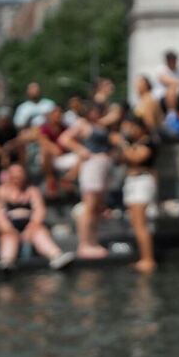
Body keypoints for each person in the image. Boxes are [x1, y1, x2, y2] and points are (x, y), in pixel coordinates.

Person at [58, 103, 120, 260]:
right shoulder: (82, 124)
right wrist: (80, 150)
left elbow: (115, 114)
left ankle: (92, 241)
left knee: (97, 207)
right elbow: (64, 139)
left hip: (102, 166)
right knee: (89, 206)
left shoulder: (100, 124)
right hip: (92, 165)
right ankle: (84, 244)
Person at [0, 163, 74, 271]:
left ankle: (56, 256)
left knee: (39, 232)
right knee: (8, 236)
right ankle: (7, 261)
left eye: (19, 173)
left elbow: (39, 209)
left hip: (30, 225)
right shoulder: (1, 191)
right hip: (10, 225)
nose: (17, 176)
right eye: (14, 173)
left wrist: (33, 224)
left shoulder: (32, 191)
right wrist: (6, 227)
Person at [113, 114, 159, 273]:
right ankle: (143, 257)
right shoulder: (133, 143)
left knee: (140, 224)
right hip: (132, 182)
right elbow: (120, 159)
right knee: (135, 223)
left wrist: (122, 143)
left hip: (142, 182)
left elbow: (136, 157)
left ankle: (148, 259)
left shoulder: (149, 142)